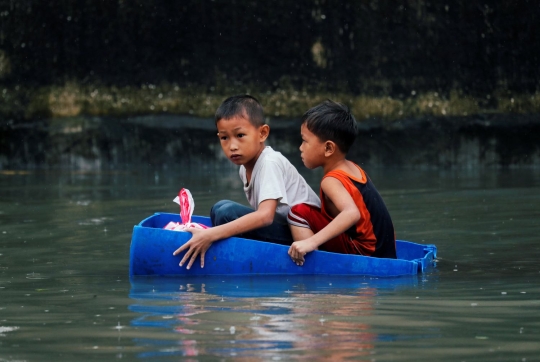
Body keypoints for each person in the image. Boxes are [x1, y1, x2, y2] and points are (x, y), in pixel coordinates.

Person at [173, 95, 320, 269]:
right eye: (224, 138)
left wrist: (211, 235)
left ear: (262, 133)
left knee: (226, 212)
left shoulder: (269, 162)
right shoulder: (245, 167)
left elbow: (265, 217)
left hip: (306, 239)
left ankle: (224, 261)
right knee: (218, 209)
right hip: (285, 229)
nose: (232, 146)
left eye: (240, 135)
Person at [287, 100, 396, 266]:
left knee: (298, 212)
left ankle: (311, 265)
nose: (300, 148)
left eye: (305, 141)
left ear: (329, 149)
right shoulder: (353, 168)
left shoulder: (331, 180)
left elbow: (352, 214)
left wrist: (312, 242)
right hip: (384, 251)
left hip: (365, 254)